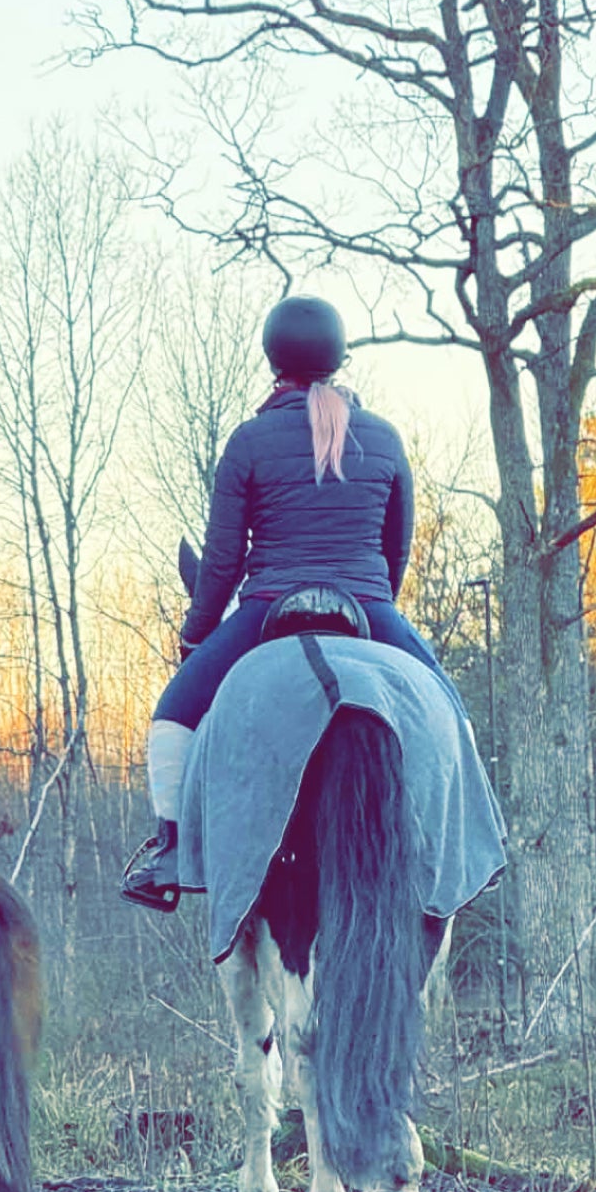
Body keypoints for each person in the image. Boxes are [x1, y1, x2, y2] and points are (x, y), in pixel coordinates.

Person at [123, 294, 444, 910]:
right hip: (367, 606)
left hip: (268, 606)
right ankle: (472, 834)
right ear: (339, 360)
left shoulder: (250, 440)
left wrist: (197, 634)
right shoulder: (383, 438)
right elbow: (396, 547)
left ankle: (169, 849)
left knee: (171, 716)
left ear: (274, 361)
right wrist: (377, 607)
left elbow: (219, 563)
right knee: (447, 710)